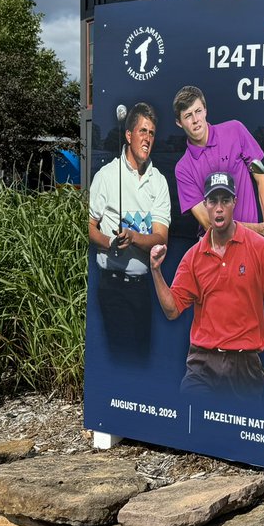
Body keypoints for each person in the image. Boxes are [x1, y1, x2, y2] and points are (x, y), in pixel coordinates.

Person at [149, 171, 264, 403]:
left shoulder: (259, 248)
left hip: (245, 365)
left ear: (234, 203)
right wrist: (156, 270)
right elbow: (172, 310)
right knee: (192, 417)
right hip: (202, 363)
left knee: (238, 427)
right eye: (213, 201)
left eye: (225, 201)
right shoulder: (193, 257)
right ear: (205, 204)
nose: (219, 208)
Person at [87, 101, 171, 361]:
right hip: (113, 286)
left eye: (152, 133)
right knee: (122, 359)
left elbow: (161, 238)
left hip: (142, 288)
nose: (147, 138)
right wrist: (109, 242)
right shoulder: (106, 176)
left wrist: (133, 237)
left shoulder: (159, 182)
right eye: (142, 131)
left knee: (141, 359)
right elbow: (89, 226)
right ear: (128, 135)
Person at [172, 85, 264, 239]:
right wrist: (257, 230)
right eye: (188, 115)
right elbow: (208, 222)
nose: (195, 120)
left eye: (198, 111)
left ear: (205, 110)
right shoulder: (183, 168)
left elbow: (261, 176)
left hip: (251, 241)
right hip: (213, 246)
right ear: (179, 122)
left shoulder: (235, 130)